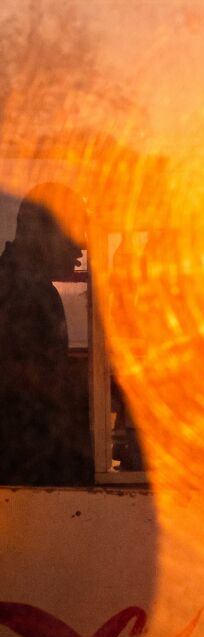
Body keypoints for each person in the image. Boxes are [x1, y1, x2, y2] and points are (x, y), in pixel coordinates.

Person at [0, 183, 91, 485]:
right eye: (72, 236)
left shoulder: (22, 287)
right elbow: (29, 386)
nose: (79, 251)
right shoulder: (24, 295)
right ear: (43, 237)